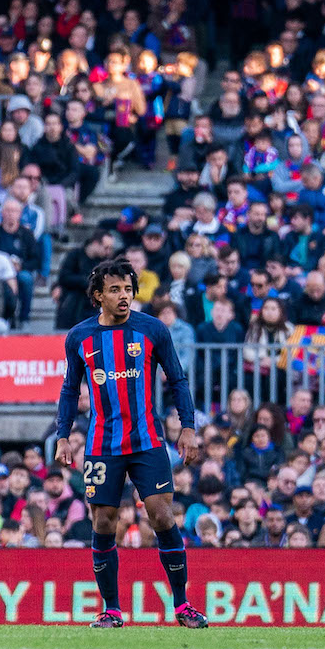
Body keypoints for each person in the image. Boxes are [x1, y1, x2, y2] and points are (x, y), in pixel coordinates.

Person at [53, 258, 206, 629]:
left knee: (162, 516)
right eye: (115, 290)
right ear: (97, 296)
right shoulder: (79, 337)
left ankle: (183, 605)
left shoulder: (152, 330)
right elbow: (71, 389)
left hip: (148, 441)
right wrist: (62, 435)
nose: (124, 296)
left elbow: (178, 380)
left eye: (128, 289)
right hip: (103, 444)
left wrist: (188, 427)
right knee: (103, 521)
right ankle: (111, 609)